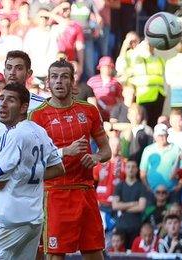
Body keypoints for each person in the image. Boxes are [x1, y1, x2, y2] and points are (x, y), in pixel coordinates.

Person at [0, 83, 66, 260]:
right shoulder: (40, 131)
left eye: (10, 100)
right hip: (34, 219)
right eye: (1, 99)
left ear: (24, 107)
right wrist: (25, 173)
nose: (3, 104)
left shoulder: (13, 135)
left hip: (9, 219)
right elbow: (59, 168)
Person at [29, 58, 111, 259]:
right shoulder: (36, 116)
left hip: (85, 190)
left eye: (64, 77)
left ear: (73, 82)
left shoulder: (89, 110)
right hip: (55, 193)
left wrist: (96, 157)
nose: (59, 81)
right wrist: (66, 151)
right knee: (56, 255)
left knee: (94, 253)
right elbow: (33, 163)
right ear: (48, 82)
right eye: (54, 77)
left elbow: (106, 150)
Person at [0, 50, 45, 157]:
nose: (12, 73)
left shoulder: (42, 105)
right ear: (4, 72)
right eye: (9, 68)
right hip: (4, 171)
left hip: (32, 170)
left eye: (19, 68)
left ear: (29, 73)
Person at [111, 160, 147, 250]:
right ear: (125, 169)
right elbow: (115, 206)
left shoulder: (141, 186)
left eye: (133, 167)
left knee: (133, 254)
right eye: (128, 166)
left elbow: (141, 207)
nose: (131, 169)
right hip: (121, 227)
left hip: (136, 226)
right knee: (119, 254)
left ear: (137, 170)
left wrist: (122, 206)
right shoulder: (119, 186)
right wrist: (132, 203)